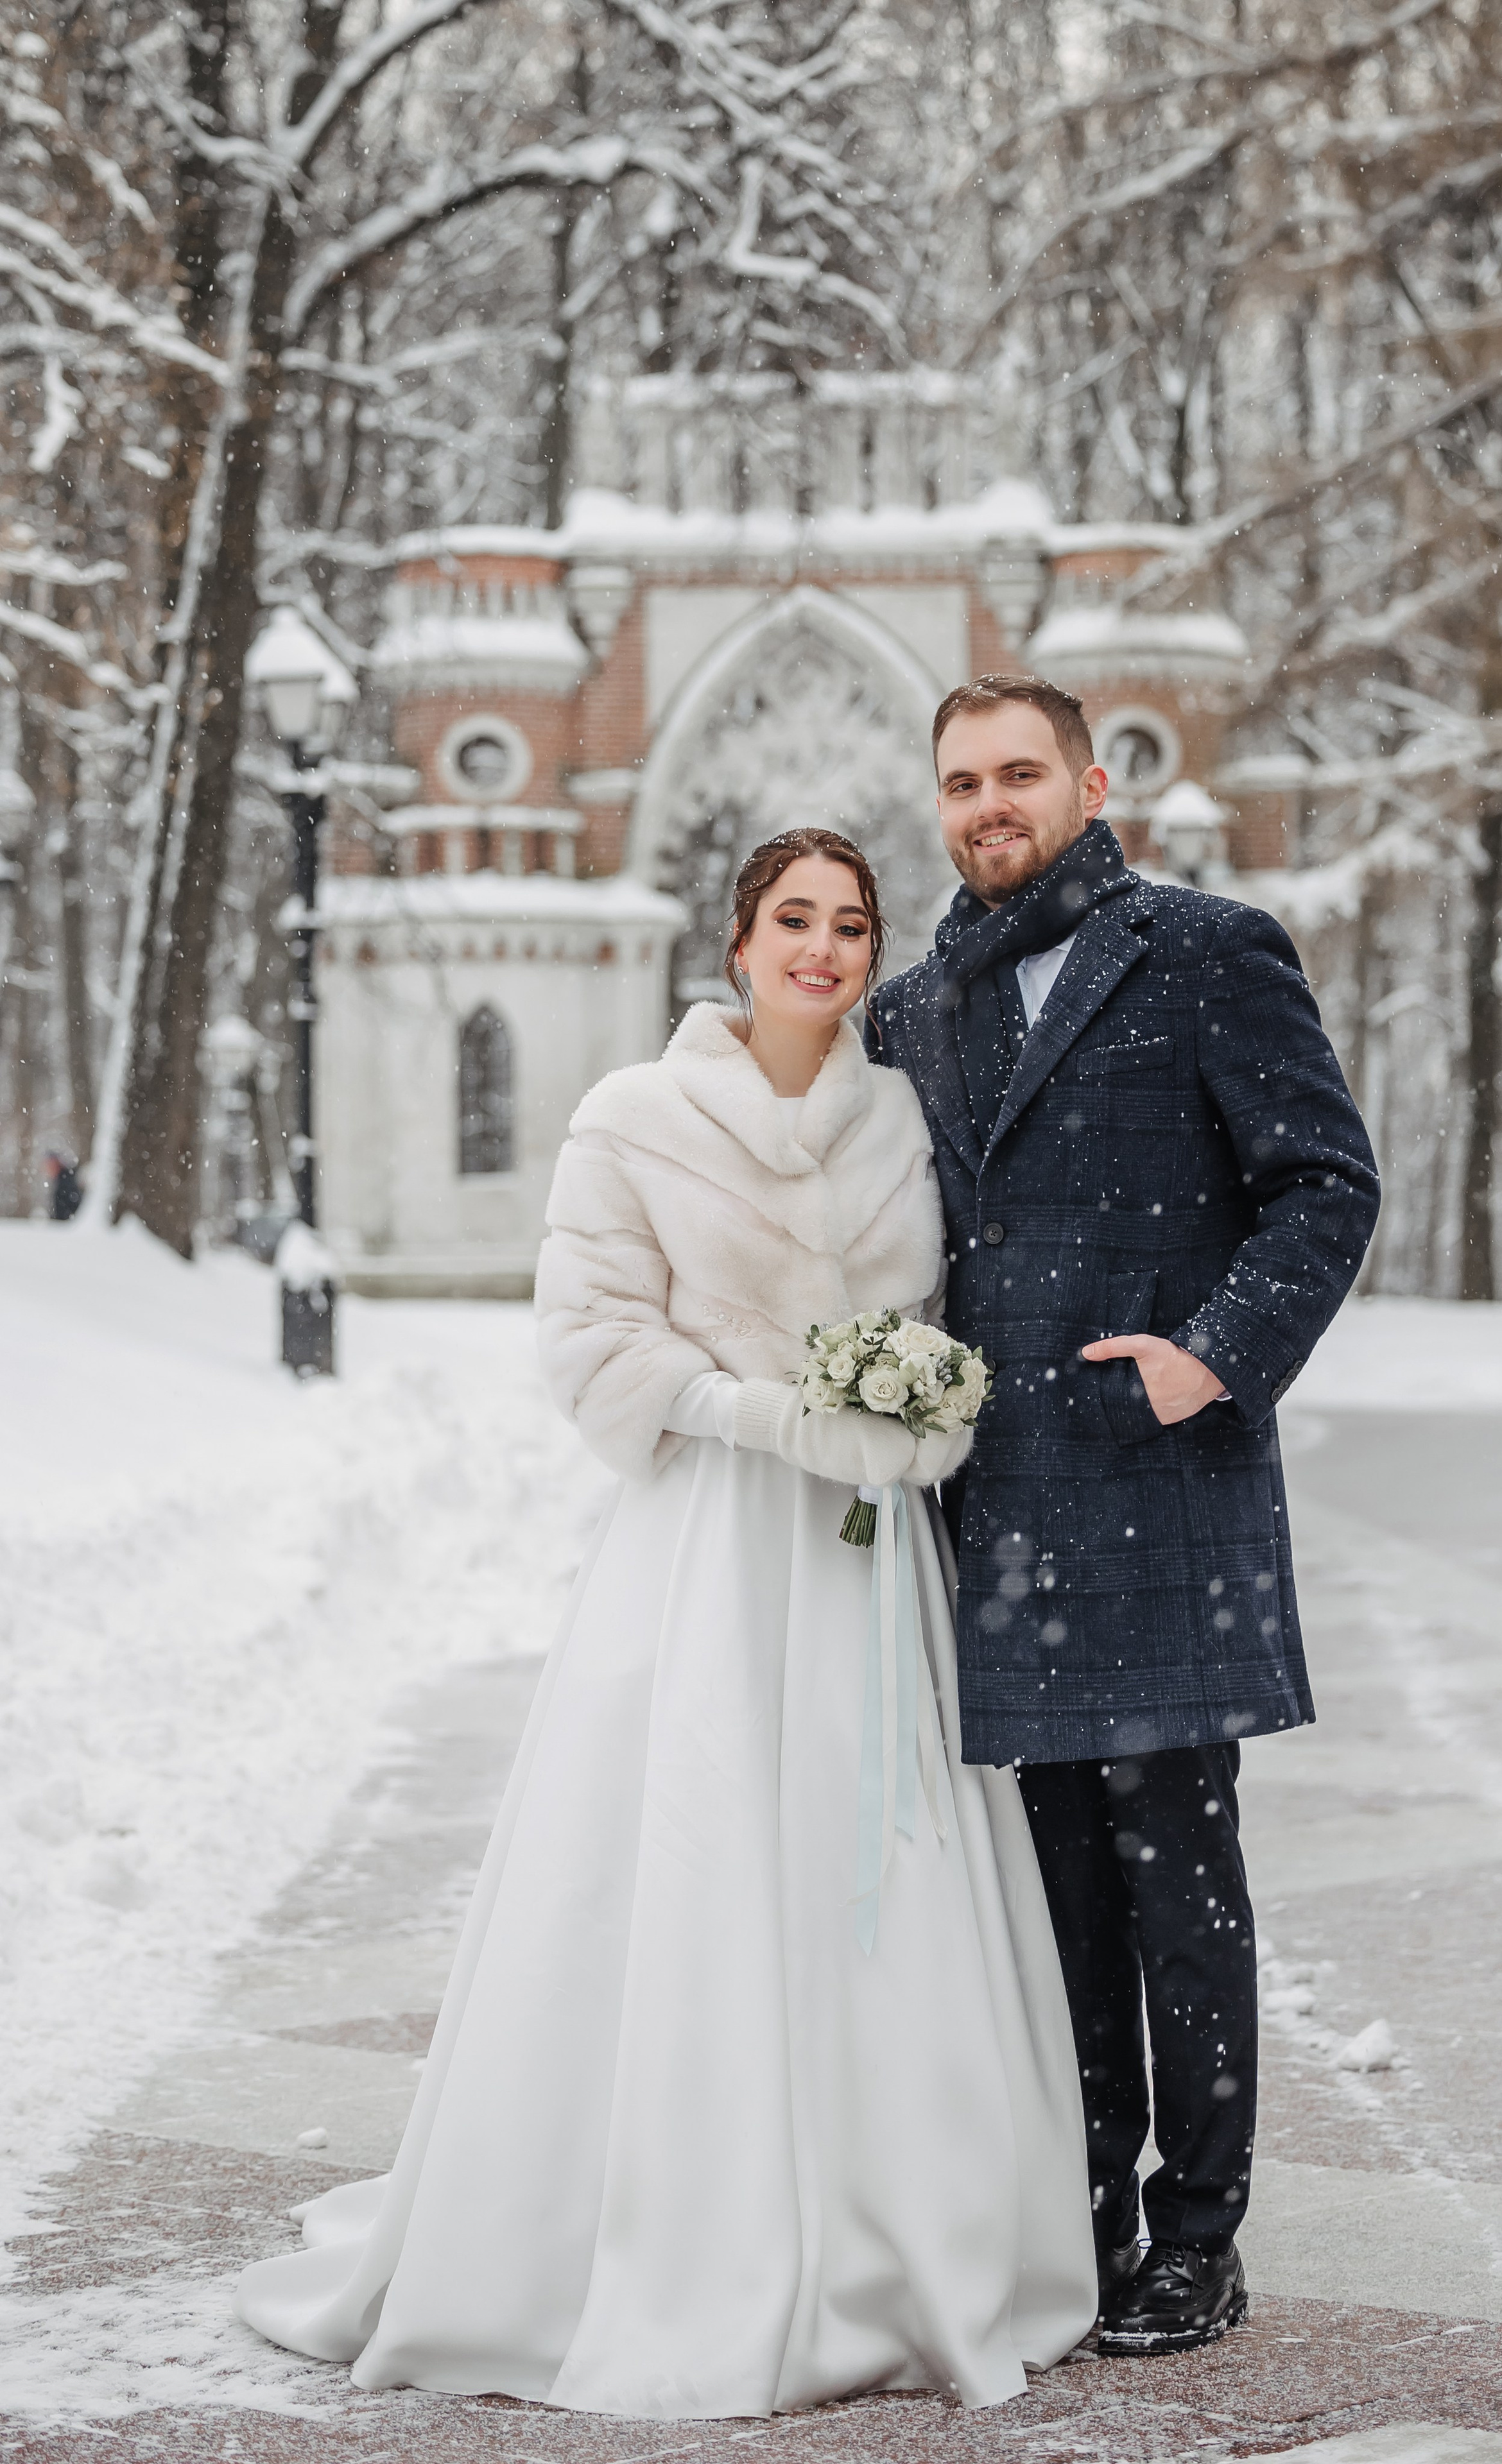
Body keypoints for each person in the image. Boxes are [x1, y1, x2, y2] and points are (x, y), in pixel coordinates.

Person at [235, 825, 1100, 2416]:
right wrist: (770, 1419)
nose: (822, 949)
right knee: (692, 1847)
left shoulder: (906, 1118)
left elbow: (940, 1324)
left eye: (850, 925)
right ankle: (666, 2214)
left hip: (870, 1559)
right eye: (793, 920)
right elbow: (590, 1341)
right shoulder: (632, 1117)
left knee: (880, 1862)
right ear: (735, 942)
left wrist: (921, 1427)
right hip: (707, 1541)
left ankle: (895, 2224)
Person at [870, 677, 1380, 2354]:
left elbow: (1324, 1184)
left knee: (1180, 1883)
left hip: (1160, 1491)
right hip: (998, 1508)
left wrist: (1211, 1356)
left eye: (1019, 773)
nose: (990, 804)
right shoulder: (913, 1009)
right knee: (1056, 1897)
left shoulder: (1207, 952)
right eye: (963, 781)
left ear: (1088, 786)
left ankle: (1199, 2232)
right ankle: (1084, 2210)